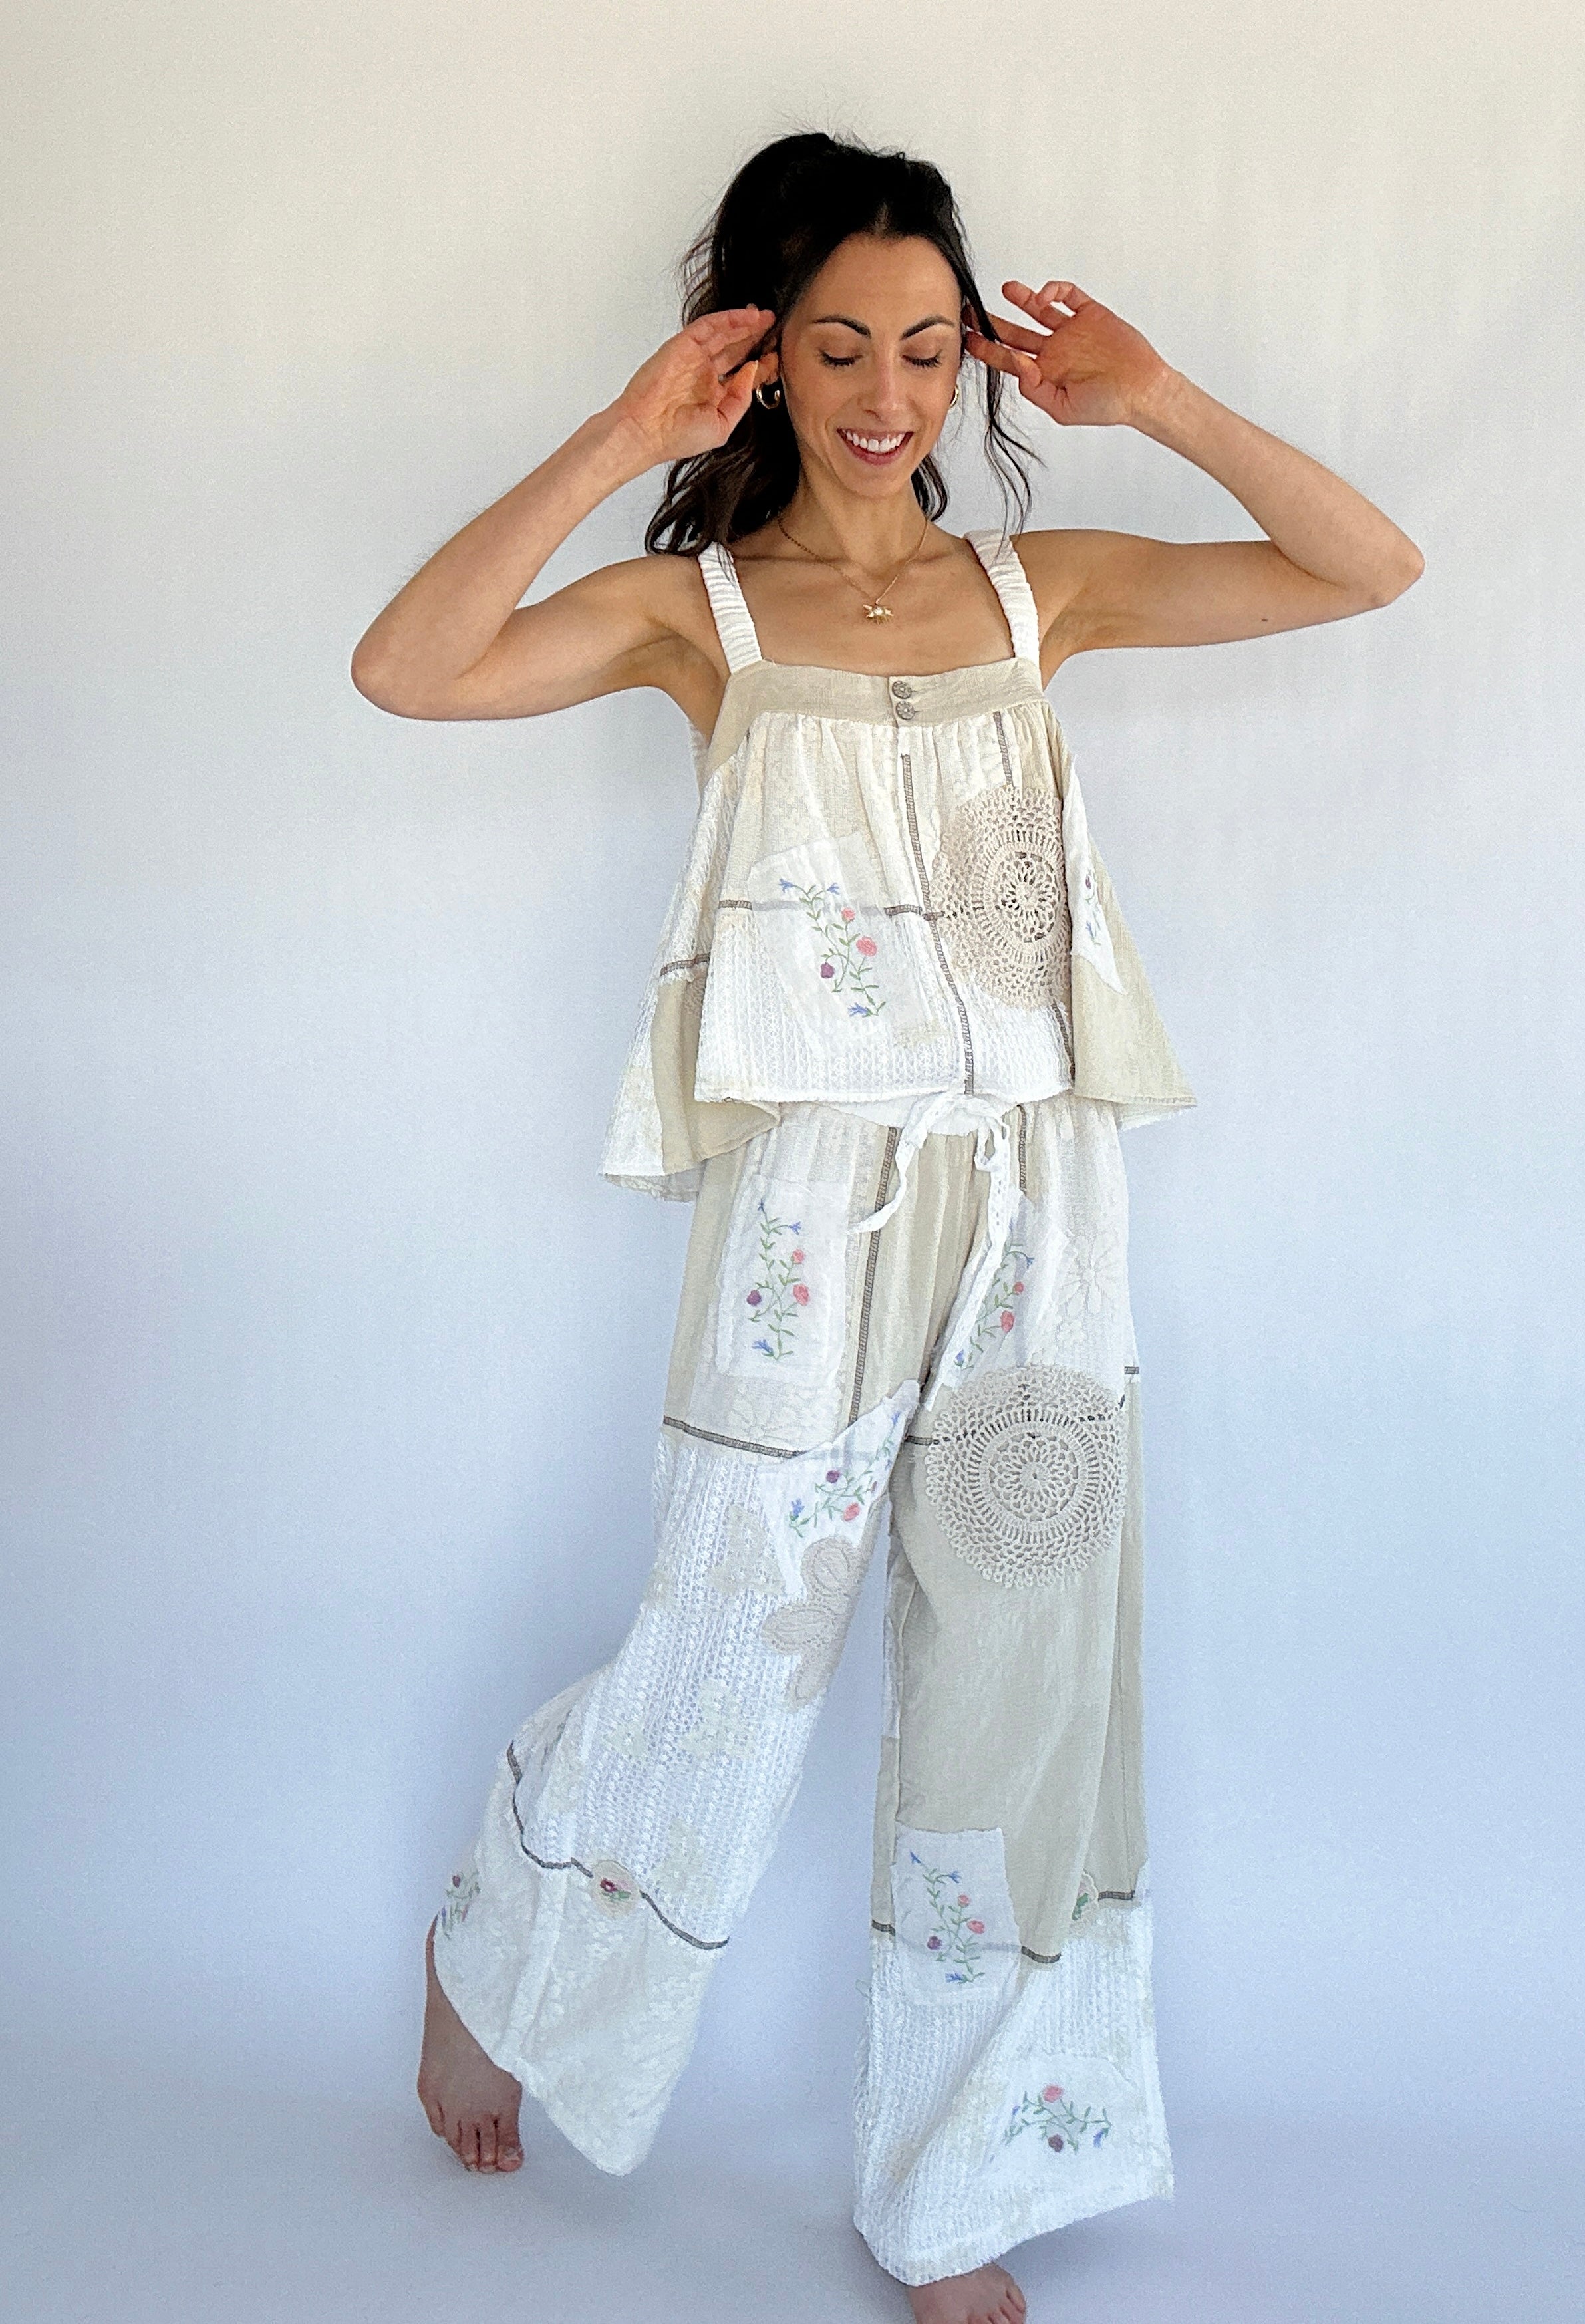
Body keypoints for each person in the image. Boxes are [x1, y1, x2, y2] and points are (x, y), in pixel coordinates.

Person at [351, 128, 1421, 2324]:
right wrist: (614, 438)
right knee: (730, 1649)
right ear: (758, 352)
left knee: (1023, 1682)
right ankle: (499, 1952)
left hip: (1043, 1178)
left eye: (928, 349)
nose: (888, 390)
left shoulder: (1048, 592)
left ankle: (959, 2186)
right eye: (840, 343)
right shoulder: (699, 612)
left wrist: (1169, 406)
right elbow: (406, 666)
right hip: (810, 1207)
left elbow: (1364, 565)